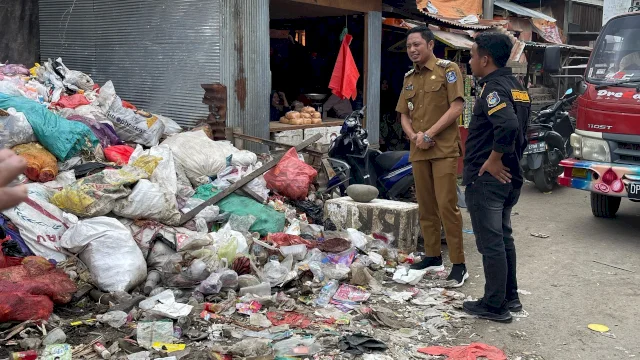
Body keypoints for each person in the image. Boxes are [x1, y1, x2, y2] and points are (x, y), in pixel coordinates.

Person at [462, 32, 531, 322]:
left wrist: (492, 160)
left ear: (485, 58)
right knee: (503, 239)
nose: (470, 59)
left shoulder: (493, 89)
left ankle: (494, 305)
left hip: (488, 179)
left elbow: (508, 126)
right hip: (511, 176)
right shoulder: (517, 87)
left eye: (472, 54)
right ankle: (510, 297)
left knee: (491, 243)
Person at [396, 26, 467, 287]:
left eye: (417, 44)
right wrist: (414, 136)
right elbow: (404, 113)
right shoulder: (408, 78)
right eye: (409, 46)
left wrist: (428, 134)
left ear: (430, 45)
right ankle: (433, 256)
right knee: (425, 206)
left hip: (443, 149)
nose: (412, 50)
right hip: (419, 150)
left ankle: (459, 264)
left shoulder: (448, 70)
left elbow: (457, 106)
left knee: (447, 205)